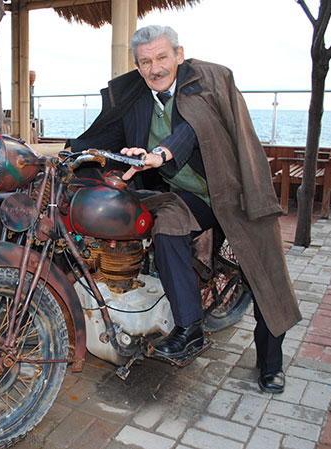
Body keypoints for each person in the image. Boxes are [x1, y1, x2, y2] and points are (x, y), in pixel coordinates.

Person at [66, 25, 302, 393]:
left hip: (235, 194)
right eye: (146, 62)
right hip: (188, 197)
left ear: (178, 54)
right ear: (137, 66)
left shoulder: (205, 82)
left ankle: (271, 364)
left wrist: (159, 154)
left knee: (264, 277)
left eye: (162, 57)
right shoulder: (134, 98)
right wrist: (65, 156)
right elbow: (101, 136)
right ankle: (189, 327)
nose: (155, 68)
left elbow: (192, 128)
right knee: (167, 224)